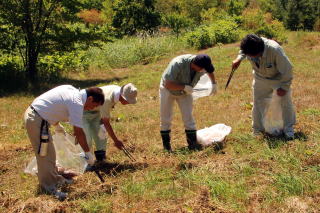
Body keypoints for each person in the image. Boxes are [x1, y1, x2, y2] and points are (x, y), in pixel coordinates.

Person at [24, 85, 105, 200]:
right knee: (45, 155)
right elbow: (79, 132)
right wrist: (88, 153)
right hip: (36, 119)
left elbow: (53, 106)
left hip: (38, 117)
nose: (91, 109)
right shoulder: (77, 103)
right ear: (90, 99)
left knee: (50, 153)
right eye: (94, 105)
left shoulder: (72, 90)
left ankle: (55, 178)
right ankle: (49, 189)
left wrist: (57, 125)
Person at [232, 34, 296, 139]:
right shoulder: (250, 45)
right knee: (258, 102)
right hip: (260, 77)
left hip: (277, 78)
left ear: (261, 51)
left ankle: (288, 129)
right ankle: (257, 130)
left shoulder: (275, 50)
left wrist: (284, 87)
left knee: (285, 102)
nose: (251, 58)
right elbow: (243, 51)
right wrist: (239, 59)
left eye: (253, 56)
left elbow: (287, 70)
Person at [159, 54, 217, 151]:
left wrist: (214, 83)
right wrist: (184, 87)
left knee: (188, 117)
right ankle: (167, 147)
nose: (204, 71)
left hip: (185, 92)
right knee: (165, 118)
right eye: (202, 69)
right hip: (167, 90)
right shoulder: (177, 64)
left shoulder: (202, 63)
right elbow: (167, 84)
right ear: (195, 65)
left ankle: (192, 145)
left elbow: (210, 71)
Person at [82, 83, 138, 165]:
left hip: (97, 112)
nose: (128, 103)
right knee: (86, 138)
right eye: (127, 100)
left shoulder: (116, 90)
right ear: (122, 96)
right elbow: (106, 123)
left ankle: (101, 159)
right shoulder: (107, 100)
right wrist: (116, 140)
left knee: (101, 134)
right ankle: (87, 163)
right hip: (83, 112)